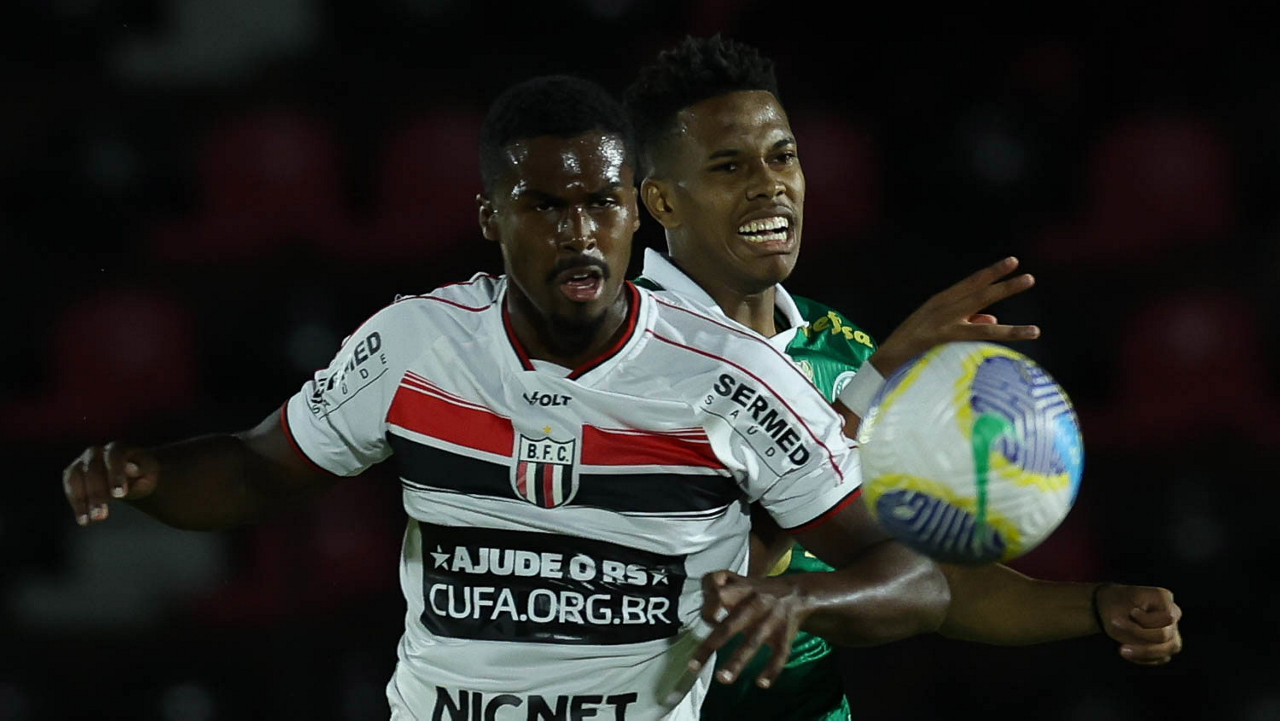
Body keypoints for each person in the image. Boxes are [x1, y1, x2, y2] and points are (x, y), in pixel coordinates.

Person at [60, 75, 953, 721]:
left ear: (636, 211)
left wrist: (804, 601)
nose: (579, 232)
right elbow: (258, 468)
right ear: (491, 216)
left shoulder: (733, 376)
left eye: (601, 203)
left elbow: (915, 576)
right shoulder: (415, 345)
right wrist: (151, 475)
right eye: (545, 206)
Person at [622, 35, 1184, 721]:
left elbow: (926, 578)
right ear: (662, 201)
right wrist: (870, 387)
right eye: (729, 165)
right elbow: (710, 591)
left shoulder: (839, 346)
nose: (769, 184)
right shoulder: (626, 357)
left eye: (783, 156)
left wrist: (1097, 605)